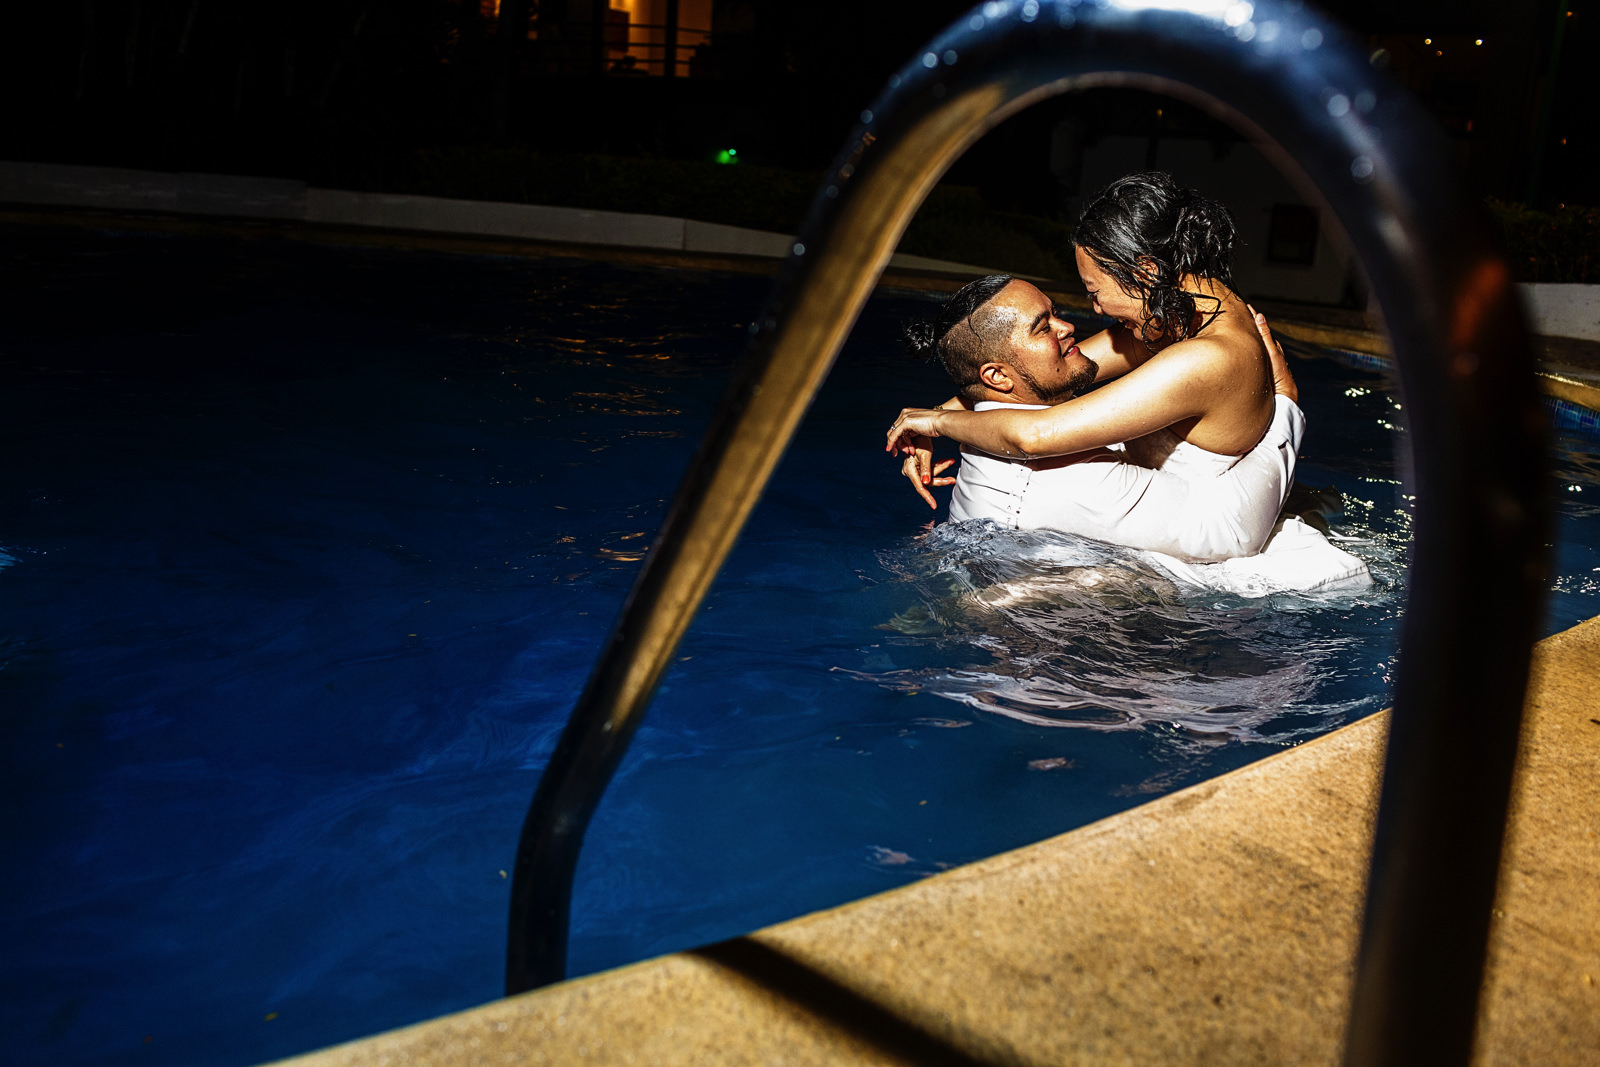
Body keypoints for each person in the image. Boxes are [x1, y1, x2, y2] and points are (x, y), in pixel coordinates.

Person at [887, 172, 1369, 591]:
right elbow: (1052, 375)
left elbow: (1033, 435)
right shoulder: (1181, 312)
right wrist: (957, 400)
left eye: (1095, 292)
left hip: (1215, 535)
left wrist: (935, 421)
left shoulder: (1202, 360)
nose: (1092, 312)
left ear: (1145, 271)